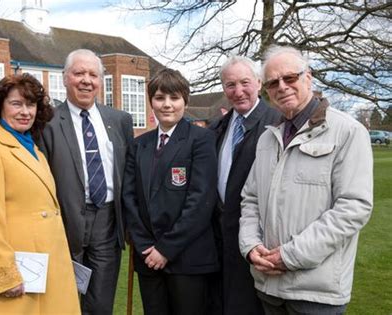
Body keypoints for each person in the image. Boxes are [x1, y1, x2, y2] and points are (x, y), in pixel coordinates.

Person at [239, 45, 373, 315]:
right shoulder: (267, 137)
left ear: (308, 77)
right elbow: (250, 199)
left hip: (316, 294)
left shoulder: (347, 131)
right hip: (269, 287)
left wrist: (290, 256)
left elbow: (353, 208)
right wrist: (250, 245)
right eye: (273, 82)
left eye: (290, 78)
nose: (282, 87)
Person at [0, 74, 80, 314]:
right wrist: (3, 273)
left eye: (31, 104)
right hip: (15, 266)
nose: (25, 111)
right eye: (16, 104)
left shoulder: (32, 147)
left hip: (43, 263)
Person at [38, 49, 134, 315]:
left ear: (101, 81)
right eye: (79, 73)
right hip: (63, 225)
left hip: (107, 223)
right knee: (60, 304)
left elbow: (129, 174)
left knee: (100, 304)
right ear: (65, 78)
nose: (86, 80)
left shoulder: (120, 120)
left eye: (93, 74)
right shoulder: (46, 122)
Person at [122, 68, 219, 315]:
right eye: (160, 97)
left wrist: (166, 249)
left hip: (187, 258)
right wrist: (145, 246)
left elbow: (200, 201)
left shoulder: (202, 140)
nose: (167, 105)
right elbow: (130, 197)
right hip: (148, 259)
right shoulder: (139, 145)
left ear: (185, 101)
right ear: (151, 101)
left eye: (174, 98)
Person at [209, 55, 280, 315]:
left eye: (244, 82)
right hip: (219, 240)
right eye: (230, 85)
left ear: (259, 83)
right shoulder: (218, 126)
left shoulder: (277, 123)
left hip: (257, 240)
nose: (238, 91)